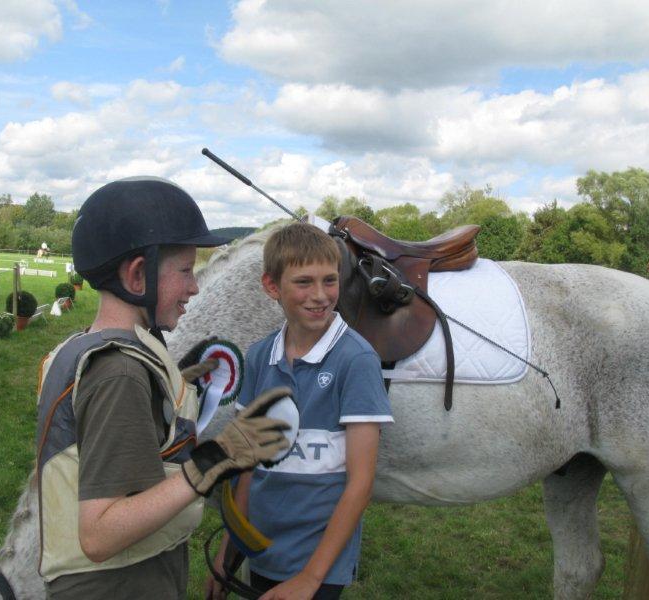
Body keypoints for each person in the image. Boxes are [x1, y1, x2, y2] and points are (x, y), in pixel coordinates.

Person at [36, 177, 291, 599]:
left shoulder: (84, 347)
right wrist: (217, 458)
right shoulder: (118, 374)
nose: (194, 287)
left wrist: (171, 387)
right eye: (186, 271)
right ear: (138, 275)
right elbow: (99, 535)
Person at [207, 222, 393, 600]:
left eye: (330, 280)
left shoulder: (356, 360)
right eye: (304, 282)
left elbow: (360, 483)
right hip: (262, 551)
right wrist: (230, 553)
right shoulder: (259, 357)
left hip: (319, 564)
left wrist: (310, 577)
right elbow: (248, 467)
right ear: (272, 286)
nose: (321, 296)